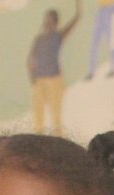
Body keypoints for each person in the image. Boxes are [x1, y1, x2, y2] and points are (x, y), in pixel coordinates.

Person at [28, 3, 81, 136]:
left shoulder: (58, 36)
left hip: (54, 80)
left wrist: (78, 8)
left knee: (56, 117)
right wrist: (32, 77)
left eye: (51, 19)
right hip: (39, 81)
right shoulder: (38, 39)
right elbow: (30, 59)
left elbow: (75, 21)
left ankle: (58, 141)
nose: (47, 22)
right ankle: (38, 141)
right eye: (46, 19)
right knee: (38, 117)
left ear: (55, 22)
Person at [84, 0, 114, 80]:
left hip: (111, 8)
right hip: (101, 9)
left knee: (111, 40)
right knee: (95, 40)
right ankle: (91, 71)